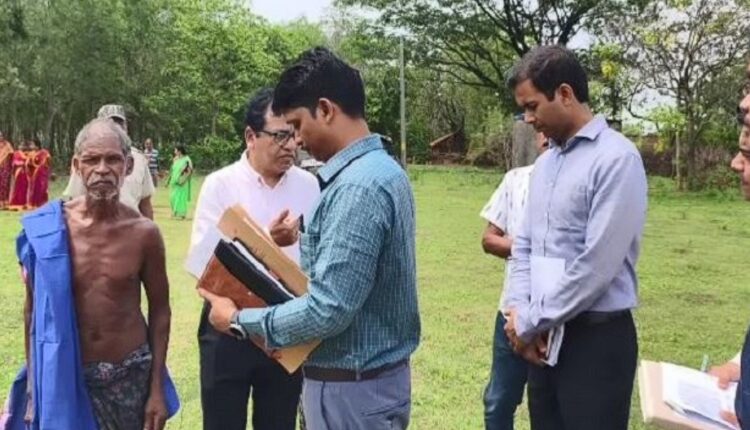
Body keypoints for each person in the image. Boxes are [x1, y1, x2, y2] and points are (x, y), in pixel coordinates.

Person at [198, 47, 420, 429]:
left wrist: (238, 320)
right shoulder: (380, 171)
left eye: (298, 125)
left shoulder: (357, 187)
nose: (297, 141)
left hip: (351, 394)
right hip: (364, 386)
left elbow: (327, 310)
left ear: (326, 109)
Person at [503, 45, 648, 430]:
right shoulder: (544, 165)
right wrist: (518, 311)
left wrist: (529, 320)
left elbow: (596, 266)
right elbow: (524, 246)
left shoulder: (617, 160)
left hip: (594, 343)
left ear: (565, 94)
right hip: (542, 340)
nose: (528, 118)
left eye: (532, 106)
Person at [3, 118, 179, 430]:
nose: (102, 169)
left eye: (112, 159)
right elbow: (32, 311)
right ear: (76, 166)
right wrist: (33, 383)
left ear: (128, 166)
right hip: (67, 376)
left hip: (129, 376)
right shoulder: (48, 232)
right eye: (91, 160)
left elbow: (161, 311)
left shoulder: (144, 234)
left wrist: (156, 389)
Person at [189, 87, 320, 430]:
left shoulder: (309, 186)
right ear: (250, 136)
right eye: (280, 136)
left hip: (284, 324)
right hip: (227, 325)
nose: (291, 145)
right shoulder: (220, 185)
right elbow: (202, 263)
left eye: (294, 134)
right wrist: (267, 241)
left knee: (278, 421)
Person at [481, 132, 547, 430]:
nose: (546, 136)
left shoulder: (583, 182)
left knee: (546, 405)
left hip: (557, 318)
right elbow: (489, 239)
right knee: (499, 401)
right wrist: (527, 248)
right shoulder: (516, 180)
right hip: (511, 314)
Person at [63, 104, 155, 219]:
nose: (116, 128)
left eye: (120, 124)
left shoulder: (139, 159)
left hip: (131, 227)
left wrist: (148, 227)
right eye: (110, 123)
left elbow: (145, 204)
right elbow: (75, 199)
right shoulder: (87, 161)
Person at [167, 144, 192, 219]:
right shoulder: (176, 159)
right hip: (174, 182)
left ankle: (181, 214)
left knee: (180, 198)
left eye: (175, 150)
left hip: (182, 182)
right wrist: (168, 180)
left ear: (180, 151)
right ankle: (175, 212)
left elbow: (188, 170)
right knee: (172, 197)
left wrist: (183, 180)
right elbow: (173, 169)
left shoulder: (187, 160)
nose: (174, 152)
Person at [27, 139, 51, 209]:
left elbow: (48, 160)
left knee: (42, 188)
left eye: (32, 145)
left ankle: (42, 203)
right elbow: (29, 164)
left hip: (42, 173)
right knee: (34, 188)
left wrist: (45, 167)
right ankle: (34, 204)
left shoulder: (44, 152)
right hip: (34, 174)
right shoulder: (32, 153)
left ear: (37, 146)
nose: (31, 146)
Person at [8, 140, 32, 210]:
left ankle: (24, 202)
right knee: (18, 187)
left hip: (25, 172)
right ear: (18, 146)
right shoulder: (16, 153)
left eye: (23, 145)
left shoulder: (27, 154)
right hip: (19, 171)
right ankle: (16, 202)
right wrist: (21, 163)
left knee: (25, 186)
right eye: (21, 145)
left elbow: (30, 162)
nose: (22, 147)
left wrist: (27, 163)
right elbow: (14, 162)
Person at [0, 132, 14, 209]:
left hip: (5, 169)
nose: (0, 137)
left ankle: (4, 202)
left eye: (1, 136)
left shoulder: (7, 145)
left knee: (4, 185)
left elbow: (12, 155)